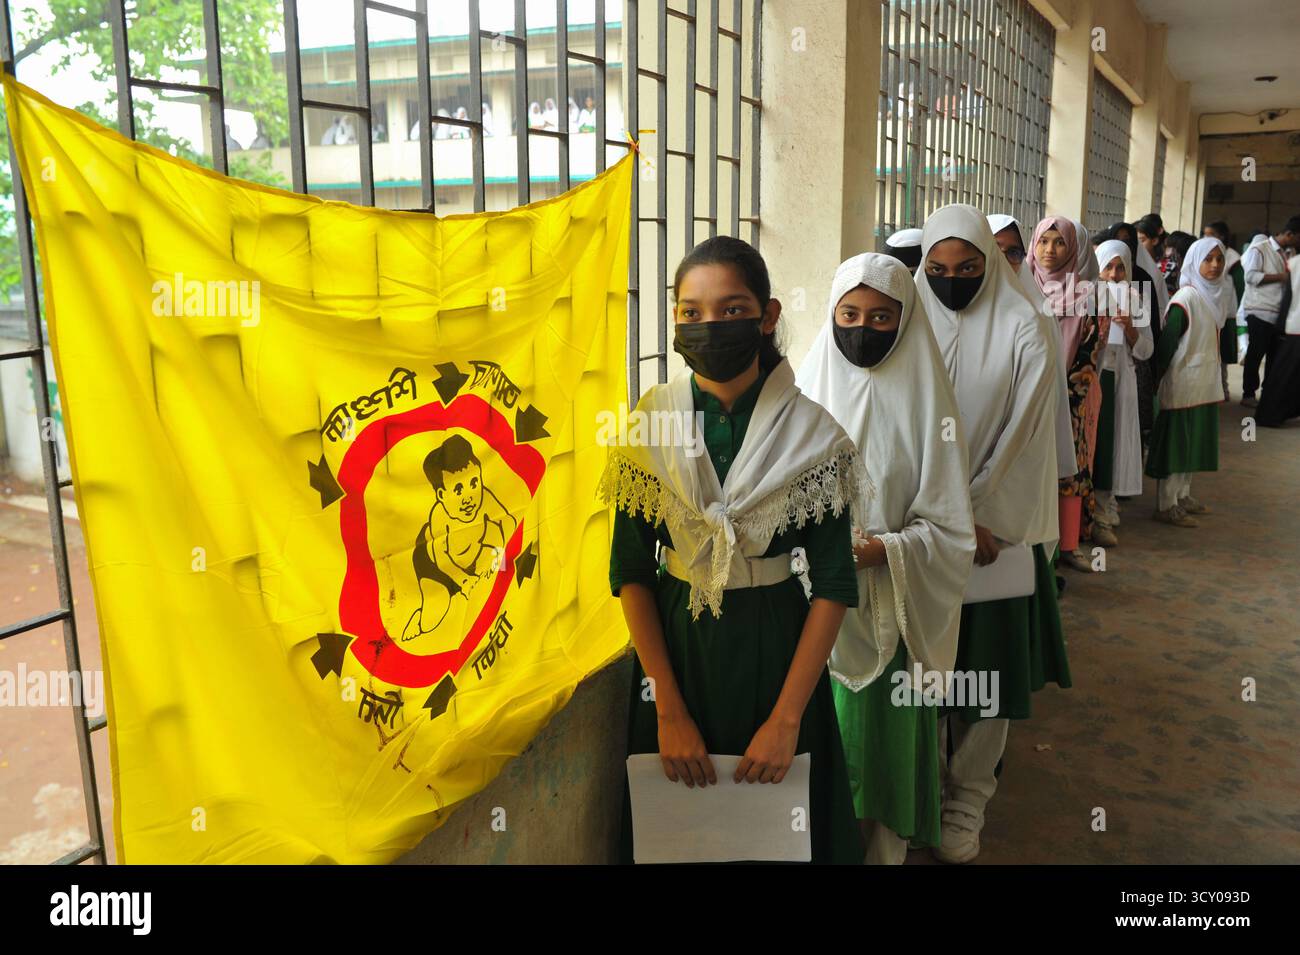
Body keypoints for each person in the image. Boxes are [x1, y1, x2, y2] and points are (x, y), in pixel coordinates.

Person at [603, 235, 865, 864]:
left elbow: (832, 584)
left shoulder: (813, 436)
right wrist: (667, 704)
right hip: (677, 655)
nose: (709, 326)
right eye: (690, 312)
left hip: (778, 652)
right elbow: (632, 571)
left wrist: (786, 720)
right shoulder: (650, 427)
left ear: (767, 316)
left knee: (777, 834)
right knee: (680, 835)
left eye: (730, 309)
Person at [796, 253, 975, 865]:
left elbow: (950, 527)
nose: (862, 328)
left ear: (904, 320)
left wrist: (886, 551)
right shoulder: (806, 389)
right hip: (813, 598)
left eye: (880, 316)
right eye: (849, 313)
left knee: (885, 746)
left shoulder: (930, 400)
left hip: (896, 607)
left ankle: (885, 852)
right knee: (824, 744)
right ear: (832, 312)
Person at [916, 204, 1066, 864]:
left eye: (969, 267)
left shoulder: (1024, 324)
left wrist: (968, 514)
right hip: (918, 526)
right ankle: (920, 782)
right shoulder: (908, 315)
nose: (952, 279)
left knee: (983, 668)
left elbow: (1018, 438)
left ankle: (969, 792)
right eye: (938, 268)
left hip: (990, 530)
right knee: (920, 669)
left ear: (992, 262)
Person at [1030, 216, 1107, 573]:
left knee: (1069, 470)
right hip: (1026, 399)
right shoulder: (1021, 288)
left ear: (1073, 248)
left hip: (1070, 398)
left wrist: (1064, 398)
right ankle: (1035, 542)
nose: (1049, 250)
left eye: (1059, 242)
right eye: (1043, 241)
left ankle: (1068, 545)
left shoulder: (1086, 297)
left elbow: (1089, 355)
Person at [1146, 237, 1230, 526]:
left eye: (1219, 259)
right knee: (1176, 446)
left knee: (1191, 444)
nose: (1215, 265)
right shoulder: (1186, 298)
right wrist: (1158, 378)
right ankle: (1166, 503)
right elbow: (1168, 344)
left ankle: (1182, 495)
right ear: (1195, 262)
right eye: (1208, 259)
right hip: (1183, 384)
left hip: (1203, 384)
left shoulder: (1214, 297)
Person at [988, 213, 1077, 489]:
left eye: (1013, 252)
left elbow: (1046, 396)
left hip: (1017, 447)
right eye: (994, 250)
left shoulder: (1037, 314)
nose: (1003, 260)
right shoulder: (952, 310)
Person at [1091, 240, 1155, 547]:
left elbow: (1146, 349)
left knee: (1115, 441)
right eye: (1108, 267)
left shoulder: (1135, 299)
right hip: (1093, 378)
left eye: (1121, 268)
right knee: (1094, 443)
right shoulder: (1085, 297)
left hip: (1121, 379)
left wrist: (1130, 329)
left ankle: (1107, 502)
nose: (1114, 275)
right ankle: (1089, 507)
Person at [1238, 216, 1300, 407]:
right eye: (1298, 237)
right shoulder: (1260, 248)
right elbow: (1250, 276)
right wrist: (1281, 277)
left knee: (1274, 356)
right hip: (1259, 310)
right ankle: (1248, 394)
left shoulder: (1286, 253)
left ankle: (1268, 395)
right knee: (1256, 355)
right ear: (1289, 234)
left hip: (1277, 313)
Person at [1255, 251, 1300, 427]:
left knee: (1284, 373)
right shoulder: (1295, 263)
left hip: (1295, 325)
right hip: (1296, 325)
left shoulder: (1295, 263)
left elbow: (1287, 297)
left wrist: (1281, 325)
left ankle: (1272, 414)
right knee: (1286, 374)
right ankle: (1271, 414)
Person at [1204, 221, 1245, 399]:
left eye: (1210, 234)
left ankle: (1223, 387)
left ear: (1221, 236)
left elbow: (1240, 285)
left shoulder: (1233, 258)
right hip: (1212, 307)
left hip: (1226, 309)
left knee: (1222, 356)